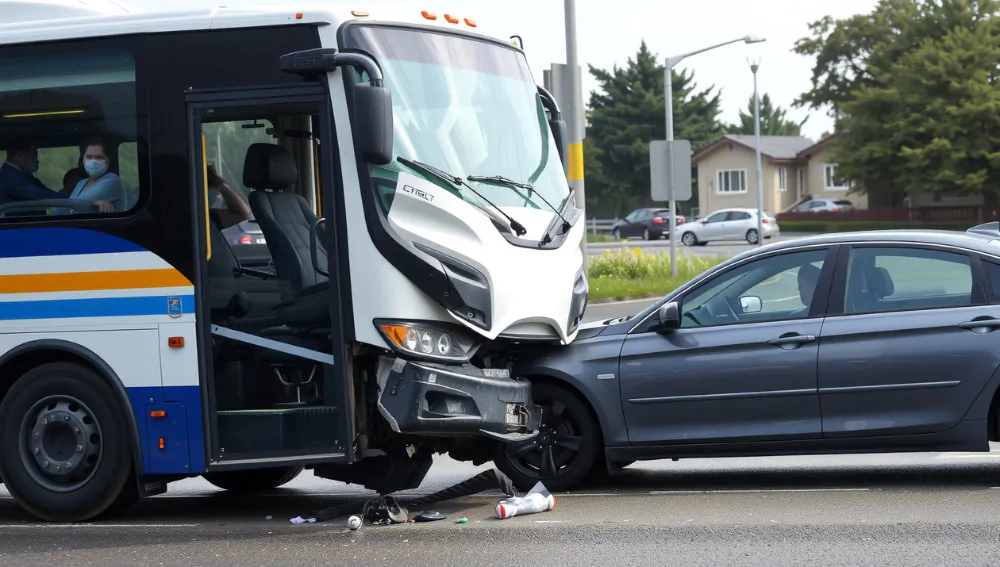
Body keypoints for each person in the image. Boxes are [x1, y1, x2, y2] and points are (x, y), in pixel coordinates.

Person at [51, 137, 125, 215]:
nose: (93, 162)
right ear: (83, 160)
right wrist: (92, 202)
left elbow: (75, 207)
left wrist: (88, 203)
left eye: (99, 157)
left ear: (108, 160)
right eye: (89, 157)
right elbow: (62, 210)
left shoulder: (113, 181)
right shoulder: (81, 183)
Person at [206, 164, 251, 229]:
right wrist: (220, 185)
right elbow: (243, 213)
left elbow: (243, 214)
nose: (217, 195)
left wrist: (219, 184)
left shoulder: (207, 215)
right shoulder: (202, 215)